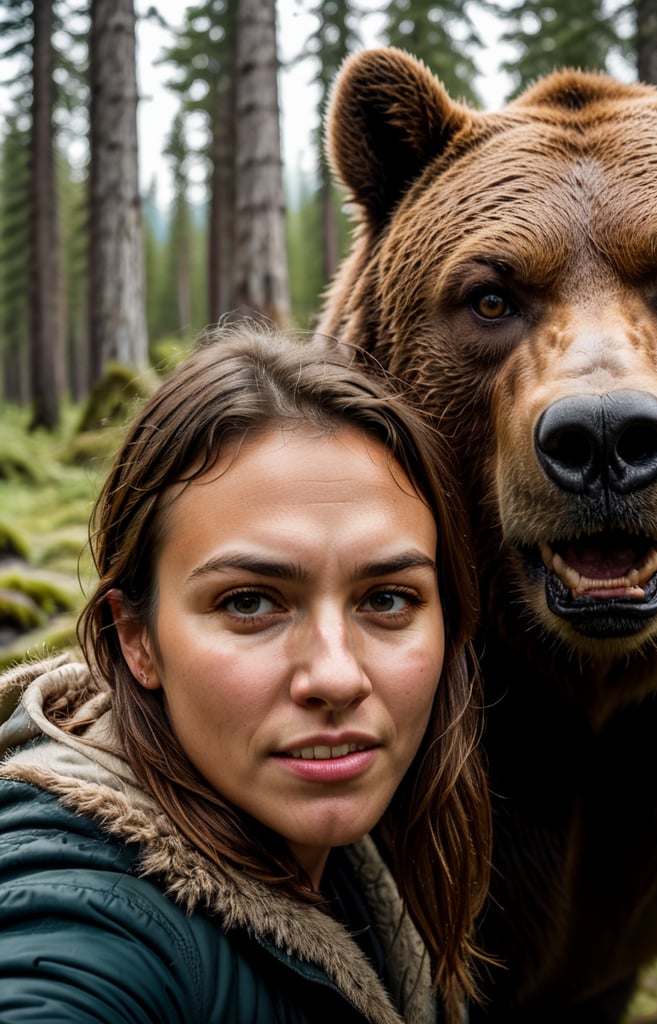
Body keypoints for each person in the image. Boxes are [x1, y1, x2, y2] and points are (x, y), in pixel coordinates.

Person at [0, 322, 492, 1024]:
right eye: (250, 602)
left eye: (387, 598)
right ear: (135, 637)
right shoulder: (85, 901)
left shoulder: (368, 853)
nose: (334, 676)